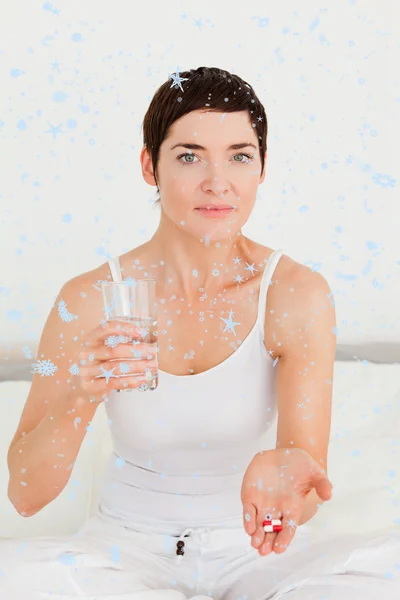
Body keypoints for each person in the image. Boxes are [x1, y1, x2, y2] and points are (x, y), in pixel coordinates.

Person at [2, 66, 400, 599]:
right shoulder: (89, 298)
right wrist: (80, 394)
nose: (218, 182)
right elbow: (26, 495)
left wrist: (284, 488)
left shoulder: (295, 294)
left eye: (240, 155)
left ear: (262, 168)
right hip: (125, 554)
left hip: (255, 557)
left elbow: (303, 488)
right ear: (150, 165)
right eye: (189, 156)